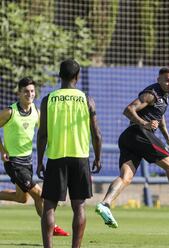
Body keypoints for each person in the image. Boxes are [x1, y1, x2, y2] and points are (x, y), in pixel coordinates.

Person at [95, 67, 169, 228]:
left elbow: (159, 117)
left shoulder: (164, 96)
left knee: (126, 177)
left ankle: (104, 204)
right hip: (139, 133)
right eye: (167, 80)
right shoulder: (152, 94)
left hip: (129, 137)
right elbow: (128, 110)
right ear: (159, 80)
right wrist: (144, 124)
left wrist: (168, 139)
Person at [37, 59, 102, 248]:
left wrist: (40, 161)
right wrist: (98, 158)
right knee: (79, 206)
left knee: (49, 205)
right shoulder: (86, 99)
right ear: (77, 76)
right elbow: (96, 133)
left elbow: (42, 135)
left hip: (56, 157)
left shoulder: (48, 99)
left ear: (59, 76)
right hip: (80, 157)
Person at [0, 77, 69, 236]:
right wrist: (2, 150)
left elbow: (46, 133)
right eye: (26, 91)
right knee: (40, 194)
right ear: (19, 93)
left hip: (28, 161)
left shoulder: (37, 112)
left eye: (32, 91)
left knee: (21, 198)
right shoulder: (10, 112)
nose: (29, 94)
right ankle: (52, 227)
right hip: (14, 162)